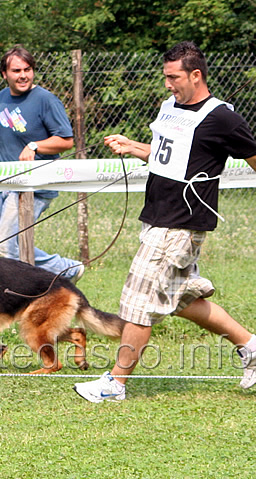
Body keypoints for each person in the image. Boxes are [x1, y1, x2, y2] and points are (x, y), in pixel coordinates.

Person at [73, 41, 256, 403]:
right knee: (181, 299)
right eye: (166, 77)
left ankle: (115, 384)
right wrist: (134, 147)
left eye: (174, 77)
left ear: (196, 75)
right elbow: (168, 155)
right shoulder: (170, 107)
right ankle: (251, 347)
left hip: (182, 223)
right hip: (158, 217)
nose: (168, 84)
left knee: (139, 301)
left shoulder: (222, 118)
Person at [0, 45, 84, 282]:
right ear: (4, 74)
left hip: (34, 185)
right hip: (5, 183)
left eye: (27, 69)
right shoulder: (2, 97)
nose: (23, 75)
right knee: (3, 245)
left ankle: (66, 270)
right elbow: (1, 138)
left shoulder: (45, 100)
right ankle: (41, 281)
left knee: (7, 246)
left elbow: (66, 141)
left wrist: (35, 145)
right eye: (16, 70)